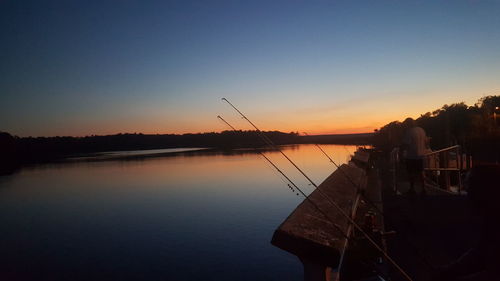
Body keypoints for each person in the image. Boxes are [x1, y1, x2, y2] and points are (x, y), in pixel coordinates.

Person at [434, 164, 500, 281]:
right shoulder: (492, 217)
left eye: (471, 190)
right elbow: (481, 252)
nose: (468, 196)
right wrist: (448, 270)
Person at [401, 118, 429, 195]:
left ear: (408, 124)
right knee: (421, 172)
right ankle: (424, 189)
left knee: (411, 173)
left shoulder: (409, 132)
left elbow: (406, 144)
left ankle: (412, 189)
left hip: (412, 156)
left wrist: (401, 151)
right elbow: (426, 141)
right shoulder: (421, 130)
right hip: (421, 155)